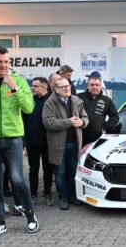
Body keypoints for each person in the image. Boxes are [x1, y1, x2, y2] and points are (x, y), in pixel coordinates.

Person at [0, 46, 39, 238]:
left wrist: (15, 88)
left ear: (9, 62)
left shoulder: (18, 80)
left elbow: (29, 108)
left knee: (18, 179)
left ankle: (30, 215)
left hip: (13, 139)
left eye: (6, 61)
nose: (3, 65)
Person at [42, 77, 89, 210]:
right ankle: (63, 198)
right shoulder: (49, 103)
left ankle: (72, 196)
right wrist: (68, 121)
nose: (67, 88)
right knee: (60, 173)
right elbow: (48, 123)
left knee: (72, 172)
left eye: (67, 85)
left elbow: (85, 117)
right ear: (56, 89)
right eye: (63, 87)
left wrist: (82, 122)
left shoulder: (76, 100)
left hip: (74, 143)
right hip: (58, 146)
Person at [23, 77, 54, 206]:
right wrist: (24, 142)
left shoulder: (52, 101)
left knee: (48, 170)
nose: (32, 88)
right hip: (32, 142)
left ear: (44, 88)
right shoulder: (29, 101)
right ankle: (33, 195)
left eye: (35, 86)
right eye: (32, 86)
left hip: (48, 143)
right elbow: (23, 122)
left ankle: (48, 194)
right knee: (33, 169)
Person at [77, 71, 119, 146]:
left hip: (98, 140)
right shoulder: (78, 97)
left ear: (100, 86)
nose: (94, 87)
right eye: (92, 85)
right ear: (88, 86)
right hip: (79, 139)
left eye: (97, 85)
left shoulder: (107, 100)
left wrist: (104, 127)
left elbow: (115, 117)